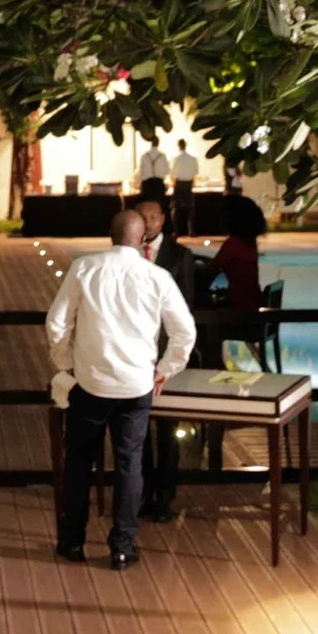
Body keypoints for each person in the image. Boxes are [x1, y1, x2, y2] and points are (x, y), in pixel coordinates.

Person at [45, 209, 196, 570]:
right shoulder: (157, 276)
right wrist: (165, 370)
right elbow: (185, 332)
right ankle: (123, 546)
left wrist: (66, 363)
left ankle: (72, 541)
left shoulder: (85, 268)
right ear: (143, 240)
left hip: (90, 382)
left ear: (109, 234)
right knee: (130, 464)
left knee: (79, 462)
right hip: (136, 385)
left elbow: (57, 323)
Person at [134, 191, 200, 522]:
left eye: (154, 217)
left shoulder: (180, 255)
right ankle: (141, 492)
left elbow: (187, 305)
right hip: (133, 354)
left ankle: (166, 494)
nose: (148, 223)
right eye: (142, 217)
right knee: (137, 427)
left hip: (166, 354)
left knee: (168, 428)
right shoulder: (126, 253)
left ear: (163, 219)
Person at [167, 141, 201, 234]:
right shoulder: (193, 158)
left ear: (178, 146)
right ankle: (191, 231)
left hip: (178, 184)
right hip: (188, 184)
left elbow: (171, 172)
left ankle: (175, 231)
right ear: (186, 145)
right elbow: (195, 172)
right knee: (190, 208)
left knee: (175, 208)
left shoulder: (175, 158)